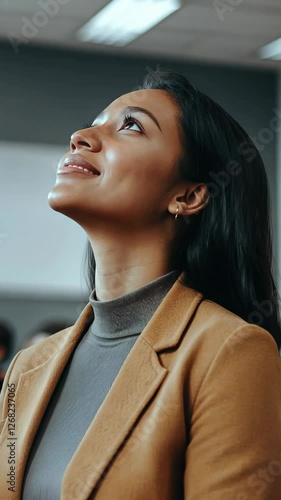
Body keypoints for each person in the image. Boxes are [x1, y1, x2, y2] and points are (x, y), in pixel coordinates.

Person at [1, 69, 281, 500]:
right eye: (94, 121)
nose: (81, 135)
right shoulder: (27, 368)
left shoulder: (231, 351)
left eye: (130, 125)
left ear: (188, 196)